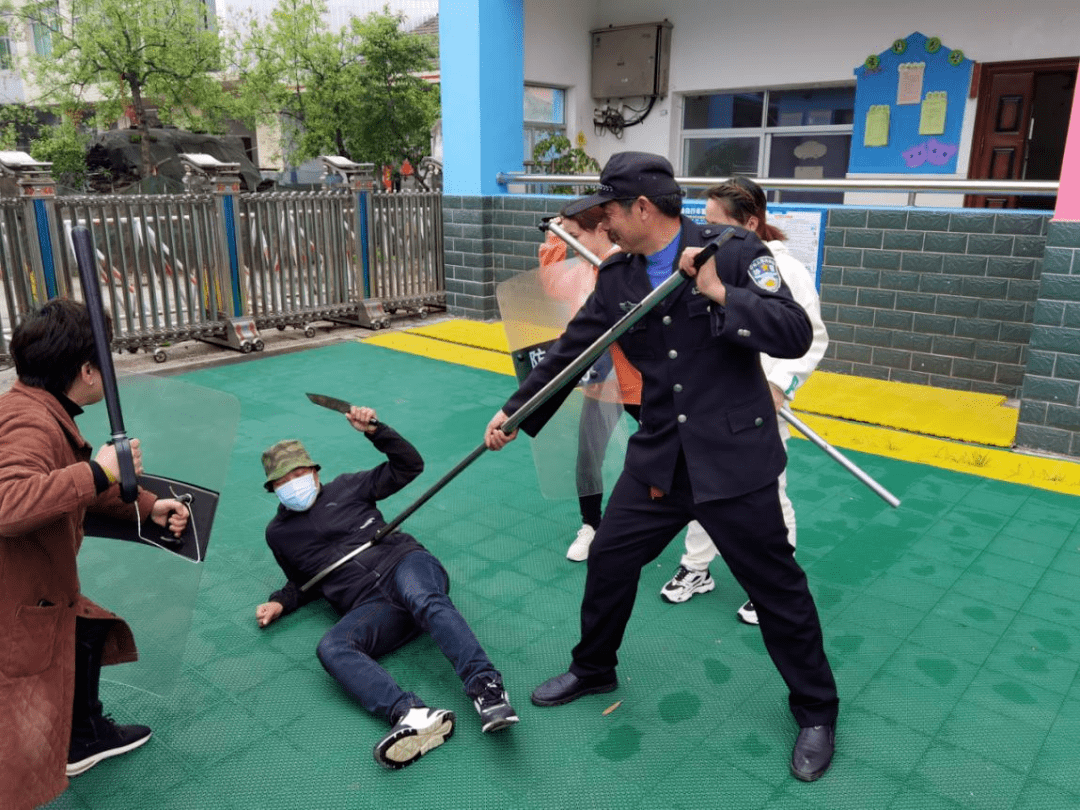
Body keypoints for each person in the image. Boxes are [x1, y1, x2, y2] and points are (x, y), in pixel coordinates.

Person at [484, 152, 839, 782]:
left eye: (610, 212)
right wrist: (516, 412)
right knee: (610, 558)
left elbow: (793, 333)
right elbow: (573, 350)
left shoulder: (733, 251)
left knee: (777, 588)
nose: (604, 225)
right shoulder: (618, 276)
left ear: (642, 207)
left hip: (734, 460)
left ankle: (816, 711)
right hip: (661, 458)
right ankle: (594, 668)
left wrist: (721, 293)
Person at [0, 299, 190, 810]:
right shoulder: (30, 424)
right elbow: (8, 502)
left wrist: (146, 505)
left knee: (84, 631)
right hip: (15, 595)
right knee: (16, 715)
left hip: (35, 583)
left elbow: (63, 479)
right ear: (87, 370)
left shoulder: (33, 407)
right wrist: (99, 472)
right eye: (106, 360)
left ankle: (82, 735)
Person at [256, 405, 519, 771]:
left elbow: (409, 466)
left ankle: (486, 688)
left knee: (422, 596)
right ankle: (411, 714)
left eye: (300, 473)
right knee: (331, 647)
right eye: (284, 480)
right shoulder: (278, 534)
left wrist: (375, 430)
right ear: (274, 489)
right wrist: (280, 602)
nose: (294, 483)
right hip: (372, 606)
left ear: (315, 472)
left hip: (406, 565)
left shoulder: (349, 486)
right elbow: (305, 580)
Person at [660, 178, 829, 625]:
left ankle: (770, 585)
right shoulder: (706, 263)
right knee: (702, 483)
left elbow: (811, 337)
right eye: (704, 223)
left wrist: (778, 387)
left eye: (717, 225)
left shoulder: (782, 268)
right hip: (713, 399)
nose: (706, 233)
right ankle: (696, 567)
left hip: (760, 403)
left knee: (769, 493)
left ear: (750, 224)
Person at [537, 202, 642, 560]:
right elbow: (553, 287)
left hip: (639, 379)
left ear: (600, 229)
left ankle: (693, 527)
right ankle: (591, 525)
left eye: (574, 235)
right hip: (600, 379)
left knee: (668, 451)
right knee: (588, 456)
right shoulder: (580, 268)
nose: (571, 242)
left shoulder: (625, 265)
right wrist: (554, 241)